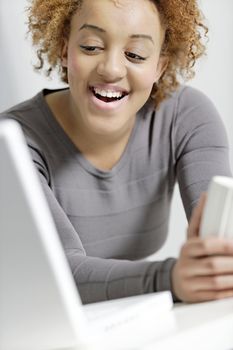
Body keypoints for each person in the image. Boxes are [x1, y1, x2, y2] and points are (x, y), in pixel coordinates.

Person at [1, 0, 233, 304]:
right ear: (64, 49)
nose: (111, 69)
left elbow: (222, 239)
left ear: (159, 67)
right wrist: (168, 279)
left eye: (135, 54)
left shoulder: (185, 117)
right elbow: (55, 275)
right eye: (91, 46)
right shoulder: (13, 140)